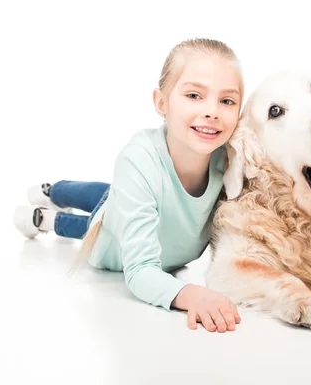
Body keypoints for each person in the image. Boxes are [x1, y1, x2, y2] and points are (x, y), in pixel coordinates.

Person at [13, 38, 245, 333]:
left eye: (227, 101)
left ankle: (55, 194)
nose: (212, 111)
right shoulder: (138, 159)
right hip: (109, 238)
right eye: (194, 95)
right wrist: (190, 294)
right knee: (95, 215)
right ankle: (50, 206)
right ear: (161, 102)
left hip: (131, 198)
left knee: (110, 193)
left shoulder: (231, 161)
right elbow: (140, 270)